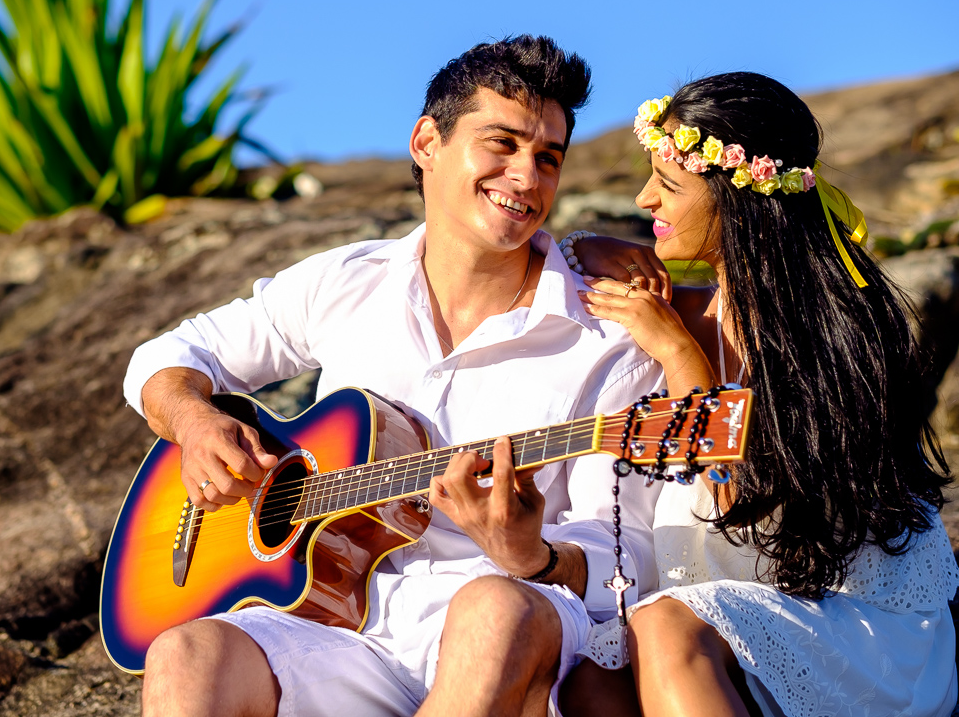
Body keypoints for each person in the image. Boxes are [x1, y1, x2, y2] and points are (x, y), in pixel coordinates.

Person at [121, 35, 666, 717]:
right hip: (339, 625)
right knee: (186, 655)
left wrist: (534, 555)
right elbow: (172, 354)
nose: (527, 177)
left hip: (512, 623)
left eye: (548, 157)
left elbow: (627, 548)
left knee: (492, 611)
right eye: (502, 143)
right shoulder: (350, 281)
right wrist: (195, 422)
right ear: (427, 143)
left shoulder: (607, 337)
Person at [556, 72, 959, 716]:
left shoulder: (834, 327)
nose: (643, 198)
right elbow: (552, 271)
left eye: (668, 185)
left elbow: (738, 508)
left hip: (848, 616)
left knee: (661, 625)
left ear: (736, 200)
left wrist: (680, 357)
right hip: (738, 608)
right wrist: (588, 244)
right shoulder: (698, 309)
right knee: (588, 683)